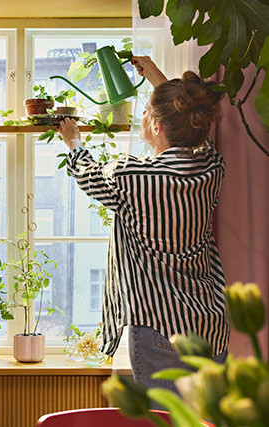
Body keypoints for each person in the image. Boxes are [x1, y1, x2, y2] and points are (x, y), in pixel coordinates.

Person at [58, 56, 230, 398]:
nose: (143, 117)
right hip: (211, 325)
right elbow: (194, 131)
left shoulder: (132, 177)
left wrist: (74, 141)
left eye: (148, 112)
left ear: (158, 127)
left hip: (160, 329)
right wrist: (156, 78)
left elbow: (88, 175)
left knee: (165, 420)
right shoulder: (209, 168)